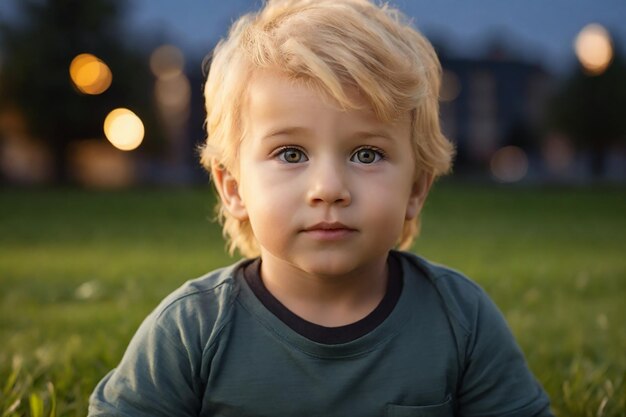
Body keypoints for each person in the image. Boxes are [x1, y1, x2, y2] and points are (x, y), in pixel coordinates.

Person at [88, 0, 553, 415]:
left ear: (416, 189)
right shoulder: (191, 330)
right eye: (291, 153)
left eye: (366, 154)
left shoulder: (460, 319)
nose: (329, 188)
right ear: (232, 187)